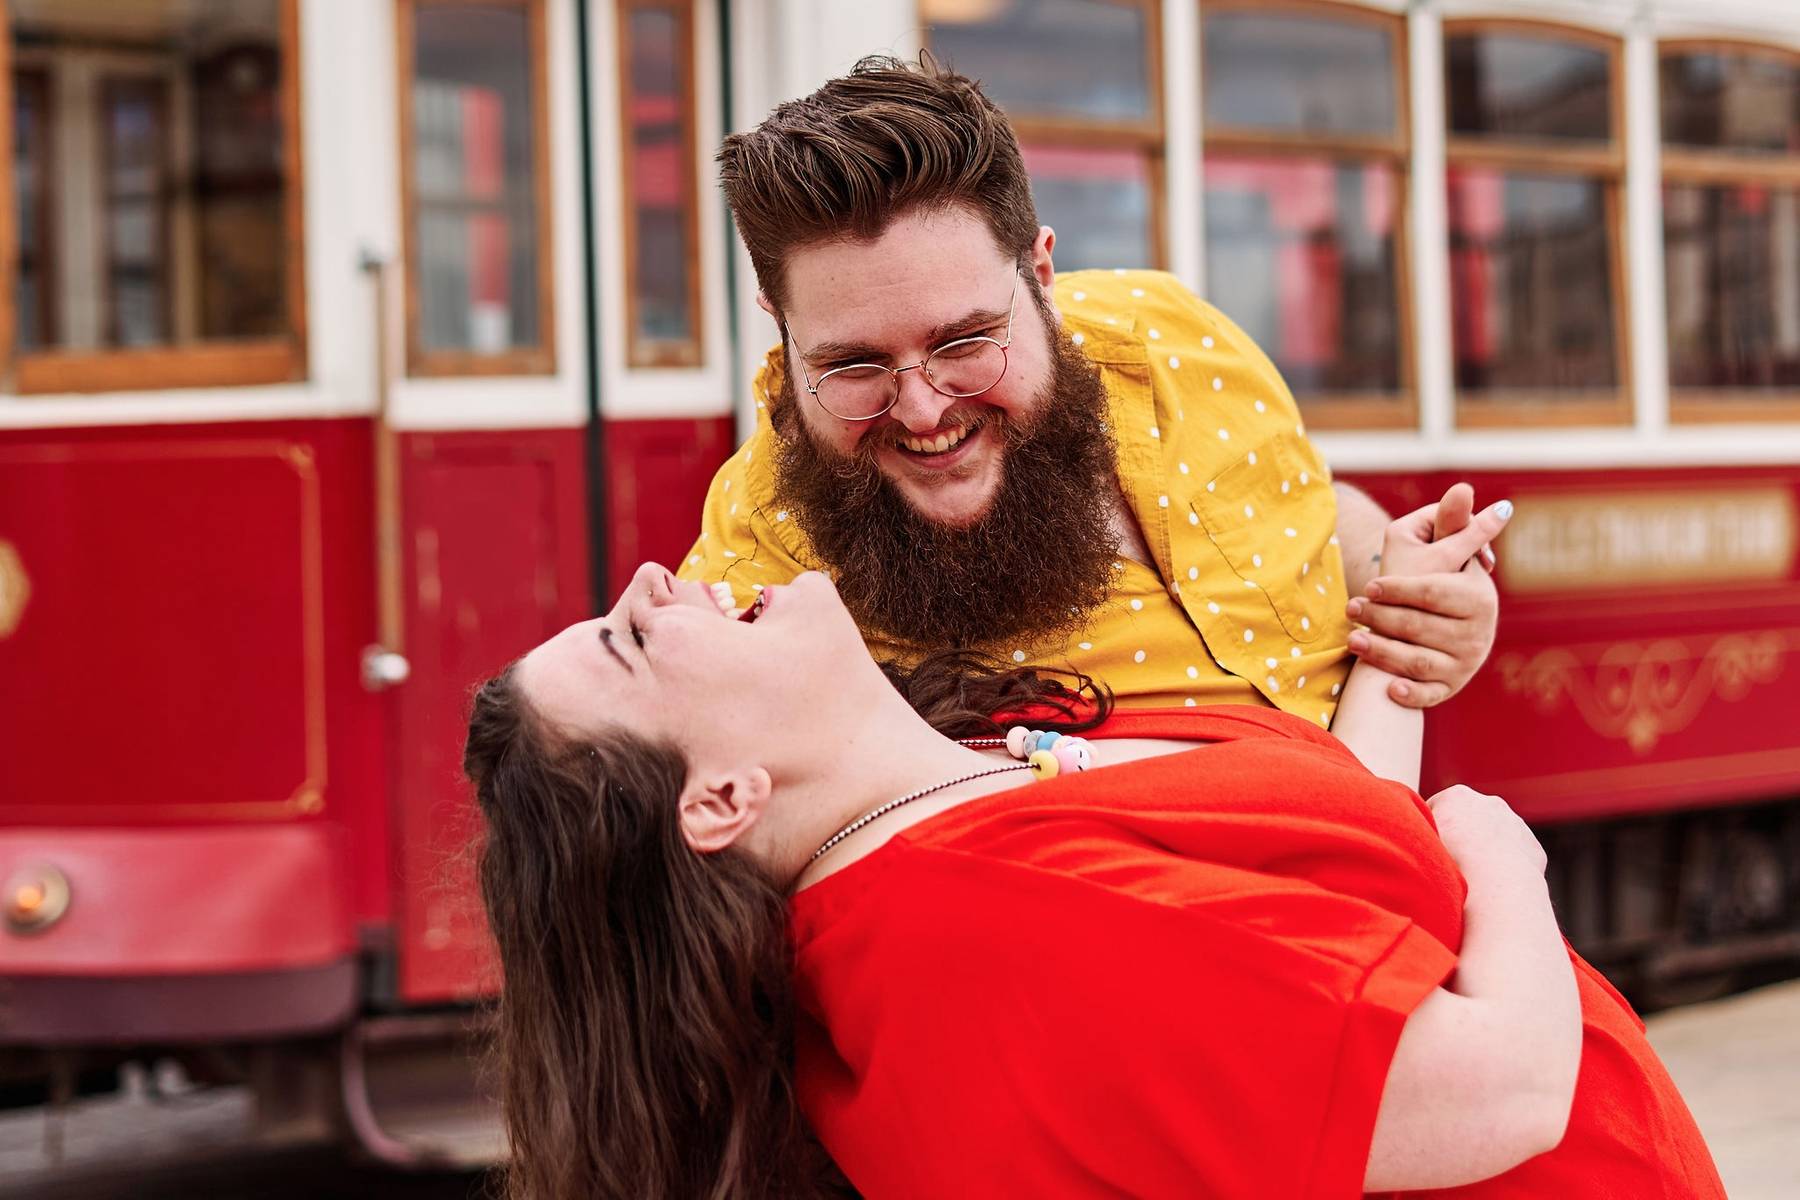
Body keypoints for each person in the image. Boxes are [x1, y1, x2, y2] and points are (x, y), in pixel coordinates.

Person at [464, 508, 1723, 1199]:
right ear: (721, 801)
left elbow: (1331, 887)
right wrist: (1502, 851)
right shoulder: (983, 936)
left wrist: (1396, 639)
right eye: (628, 643)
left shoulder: (962, 800)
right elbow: (1496, 1091)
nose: (647, 577)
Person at [679, 54, 1498, 725]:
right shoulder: (754, 569)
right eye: (852, 366)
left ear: (1041, 274)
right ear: (781, 328)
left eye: (965, 342)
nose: (923, 410)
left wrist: (1399, 582)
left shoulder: (1179, 336)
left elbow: (1307, 502)